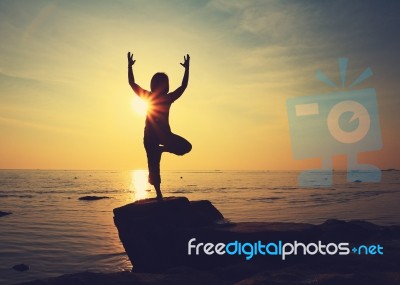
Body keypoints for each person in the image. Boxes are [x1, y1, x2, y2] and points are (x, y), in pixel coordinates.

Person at [127, 52, 192, 201]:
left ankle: (162, 149)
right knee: (153, 166)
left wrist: (187, 69)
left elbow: (183, 87)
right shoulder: (149, 96)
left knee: (186, 147)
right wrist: (129, 66)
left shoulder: (165, 98)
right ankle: (159, 194)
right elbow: (132, 83)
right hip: (150, 137)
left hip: (164, 135)